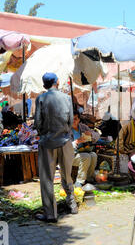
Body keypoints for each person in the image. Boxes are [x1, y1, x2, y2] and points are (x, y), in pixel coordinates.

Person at [34, 73, 78, 223]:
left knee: (47, 179)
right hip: (65, 141)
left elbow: (38, 124)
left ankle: (51, 214)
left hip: (47, 143)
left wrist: (45, 132)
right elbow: (71, 121)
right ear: (57, 82)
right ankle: (72, 205)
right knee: (67, 175)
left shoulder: (41, 98)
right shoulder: (66, 98)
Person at [71, 112, 100, 188]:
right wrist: (76, 142)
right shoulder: (65, 129)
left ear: (79, 120)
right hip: (69, 156)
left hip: (82, 152)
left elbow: (97, 135)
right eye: (71, 119)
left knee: (93, 155)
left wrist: (91, 134)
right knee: (86, 156)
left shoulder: (83, 127)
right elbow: (63, 146)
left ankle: (89, 178)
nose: (73, 121)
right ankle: (79, 181)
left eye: (75, 119)